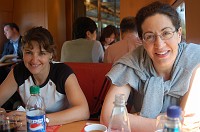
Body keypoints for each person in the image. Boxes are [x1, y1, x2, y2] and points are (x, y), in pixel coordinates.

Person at [100, 1, 200, 131]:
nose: (159, 44)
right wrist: (167, 124)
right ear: (141, 41)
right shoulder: (133, 62)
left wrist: (136, 119)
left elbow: (190, 124)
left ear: (179, 34)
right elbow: (108, 117)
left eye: (166, 33)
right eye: (149, 36)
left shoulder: (195, 59)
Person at [0, 26, 90, 128]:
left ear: (51, 54)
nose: (34, 60)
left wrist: (40, 120)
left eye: (41, 53)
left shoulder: (63, 72)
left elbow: (83, 110)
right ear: (22, 52)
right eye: (29, 53)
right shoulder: (18, 71)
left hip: (63, 127)